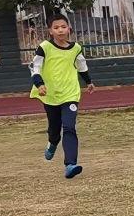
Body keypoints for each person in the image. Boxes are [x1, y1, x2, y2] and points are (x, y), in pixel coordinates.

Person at [29, 14, 92, 179]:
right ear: (50, 31)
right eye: (56, 28)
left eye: (63, 27)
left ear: (69, 28)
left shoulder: (76, 48)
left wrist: (88, 81)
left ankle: (70, 164)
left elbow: (81, 65)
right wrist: (39, 84)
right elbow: (35, 67)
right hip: (50, 94)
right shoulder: (44, 47)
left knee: (69, 127)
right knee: (55, 129)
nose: (60, 30)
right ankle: (52, 142)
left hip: (70, 93)